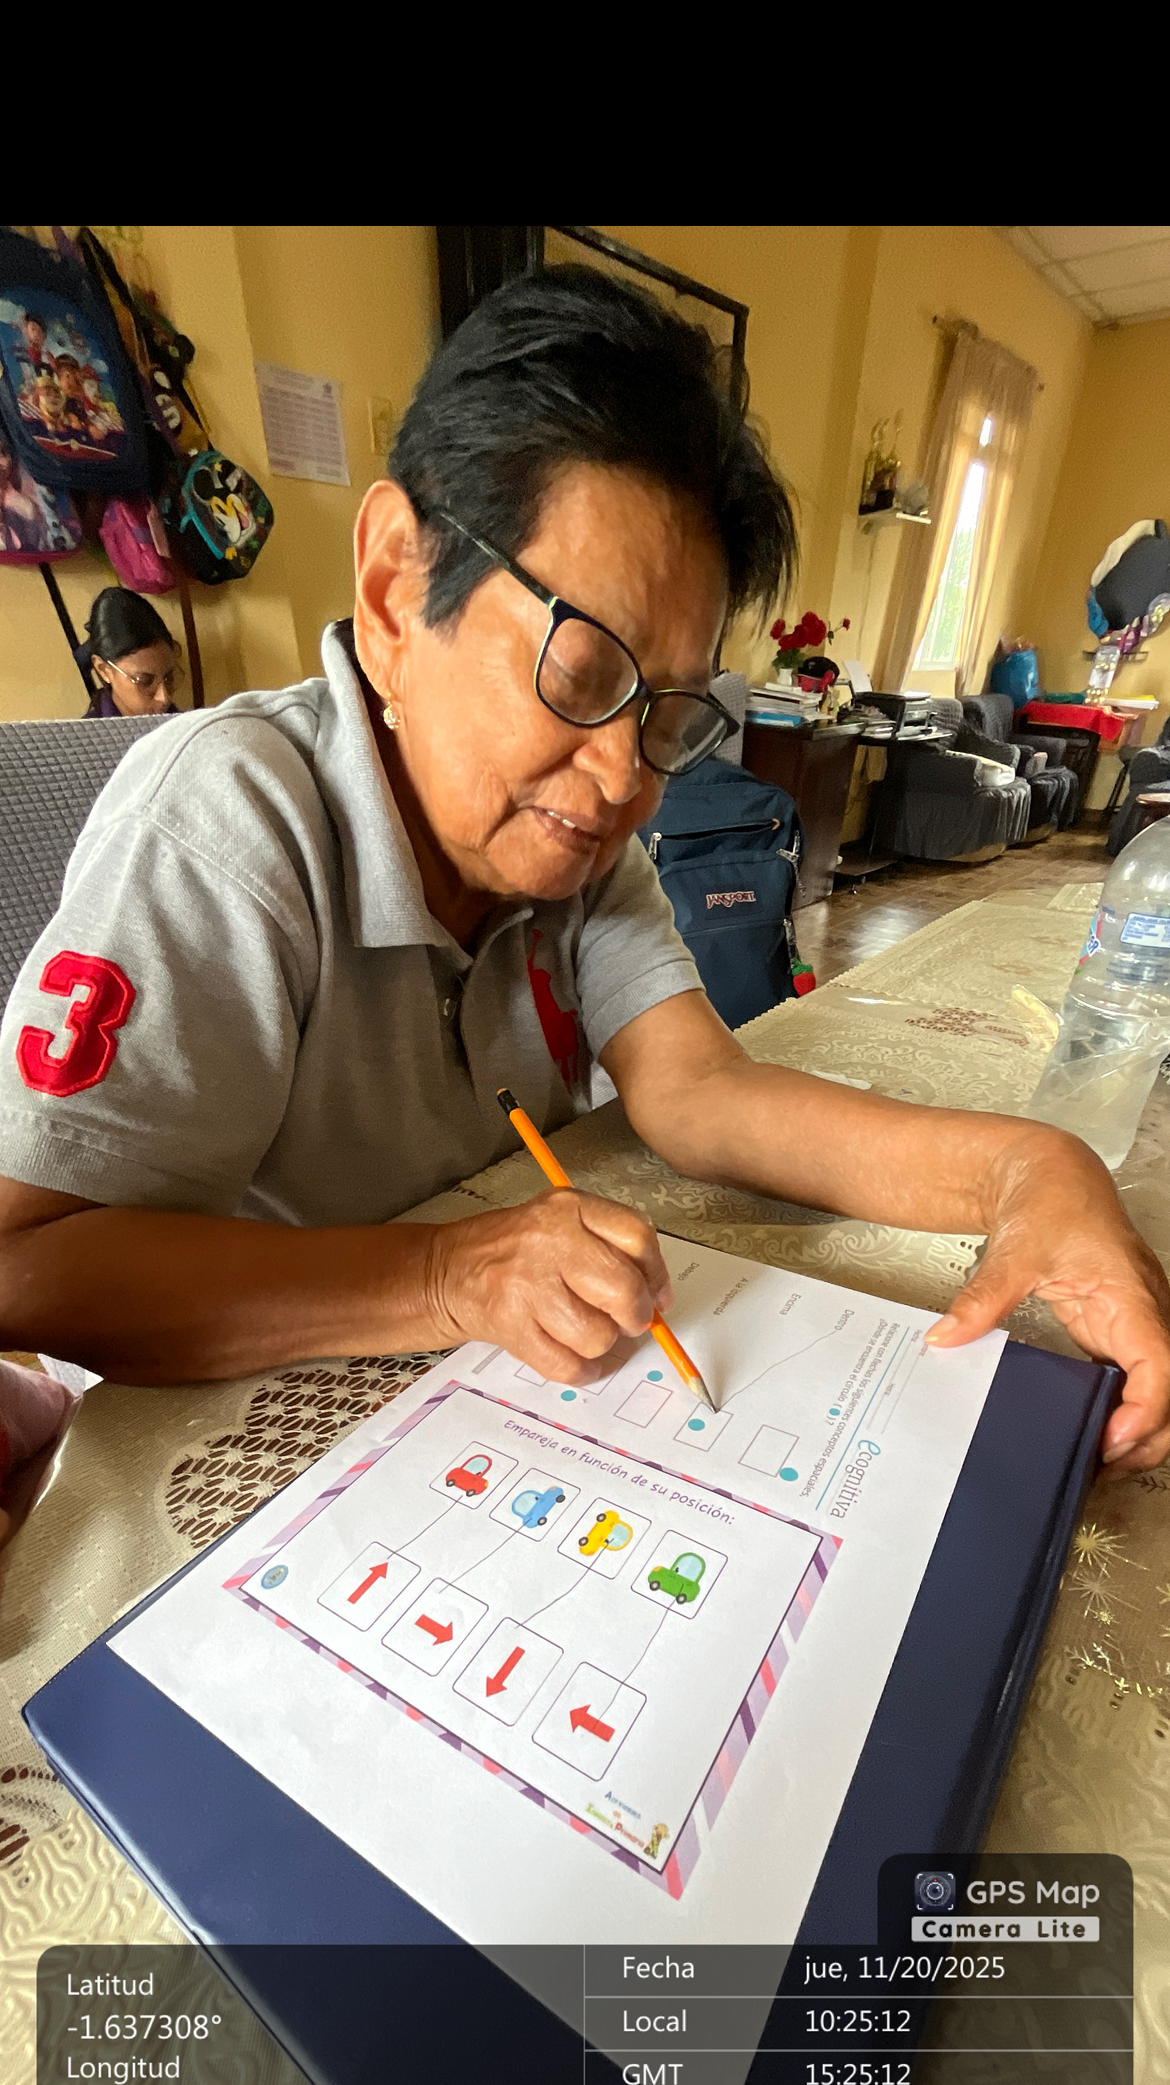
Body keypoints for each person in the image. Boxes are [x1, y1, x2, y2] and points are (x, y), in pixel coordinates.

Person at [0, 266, 1167, 1472]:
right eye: (581, 668)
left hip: (476, 1410)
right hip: (233, 1431)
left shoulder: (565, 842)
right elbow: (28, 1268)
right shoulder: (233, 823)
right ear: (396, 589)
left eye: (667, 710)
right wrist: (448, 1274)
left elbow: (699, 1091)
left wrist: (1029, 1170)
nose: (622, 778)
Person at [74, 588, 181, 718]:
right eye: (144, 681)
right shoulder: (89, 730)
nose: (164, 698)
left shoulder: (185, 723)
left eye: (169, 678)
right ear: (104, 670)